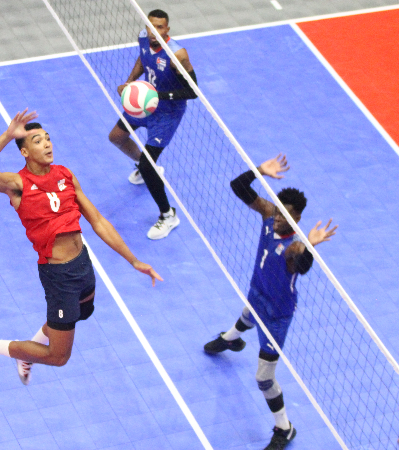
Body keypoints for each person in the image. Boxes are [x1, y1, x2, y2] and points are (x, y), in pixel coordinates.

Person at [0, 109, 162, 385]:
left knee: (79, 316)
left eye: (48, 139)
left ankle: (27, 351)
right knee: (58, 356)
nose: (47, 144)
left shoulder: (65, 175)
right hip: (59, 277)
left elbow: (98, 221)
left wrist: (133, 260)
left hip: (82, 264)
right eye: (38, 141)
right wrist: (8, 136)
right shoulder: (17, 185)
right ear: (25, 152)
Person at [203, 154, 337, 450]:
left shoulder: (294, 246)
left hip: (277, 315)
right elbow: (237, 186)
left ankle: (284, 427)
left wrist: (311, 246)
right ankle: (231, 339)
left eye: (283, 215)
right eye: (276, 211)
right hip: (257, 292)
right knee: (248, 312)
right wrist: (258, 171)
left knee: (264, 377)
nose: (276, 218)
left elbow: (302, 265)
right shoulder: (268, 215)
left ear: (297, 218)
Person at [108, 9, 198, 240]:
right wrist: (129, 83)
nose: (154, 32)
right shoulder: (143, 38)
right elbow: (142, 59)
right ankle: (145, 164)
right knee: (116, 137)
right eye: (151, 27)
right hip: (144, 103)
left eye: (160, 27)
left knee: (148, 168)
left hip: (167, 113)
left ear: (167, 29)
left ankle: (168, 216)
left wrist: (160, 96)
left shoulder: (178, 54)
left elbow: (192, 91)